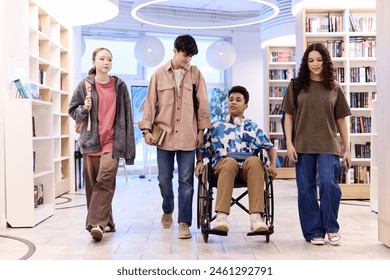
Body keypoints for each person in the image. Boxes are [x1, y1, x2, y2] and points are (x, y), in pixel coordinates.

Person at [138, 34, 211, 239]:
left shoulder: (196, 75)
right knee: (163, 180)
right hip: (165, 137)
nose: (187, 60)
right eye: (184, 55)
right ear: (175, 51)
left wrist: (200, 133)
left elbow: (203, 106)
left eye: (191, 57)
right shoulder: (158, 75)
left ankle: (184, 223)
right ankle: (168, 208)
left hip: (188, 136)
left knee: (187, 181)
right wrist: (145, 130)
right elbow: (150, 105)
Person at [281, 42, 351, 246]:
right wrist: (289, 144)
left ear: (325, 61)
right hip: (302, 145)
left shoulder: (334, 87)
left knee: (329, 185)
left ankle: (331, 228)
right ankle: (313, 232)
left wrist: (347, 149)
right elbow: (288, 117)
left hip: (329, 145)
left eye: (319, 60)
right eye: (311, 60)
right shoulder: (295, 85)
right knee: (306, 189)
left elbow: (341, 120)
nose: (315, 64)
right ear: (305, 62)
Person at [69, 47, 135, 242]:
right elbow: (73, 111)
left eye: (109, 59)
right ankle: (109, 222)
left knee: (105, 179)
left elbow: (127, 115)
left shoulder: (119, 86)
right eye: (102, 59)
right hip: (90, 142)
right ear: (94, 61)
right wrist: (84, 108)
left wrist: (128, 147)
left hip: (112, 142)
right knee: (93, 185)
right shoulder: (85, 86)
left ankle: (96, 224)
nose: (106, 62)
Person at [196, 85, 278, 233]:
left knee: (255, 161)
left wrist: (272, 165)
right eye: (231, 99)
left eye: (238, 100)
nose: (233, 102)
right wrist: (200, 162)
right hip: (222, 169)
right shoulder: (216, 126)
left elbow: (270, 147)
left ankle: (256, 219)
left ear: (245, 105)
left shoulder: (253, 127)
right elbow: (202, 148)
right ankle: (221, 218)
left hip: (247, 172)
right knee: (230, 162)